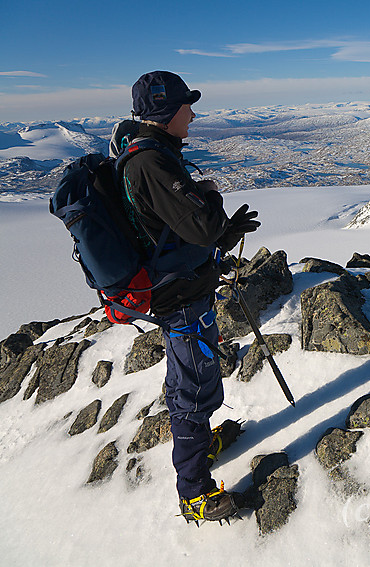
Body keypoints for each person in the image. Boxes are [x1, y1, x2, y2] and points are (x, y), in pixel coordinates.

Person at [125, 70, 260, 524]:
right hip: (179, 297)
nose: (193, 113)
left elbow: (175, 232)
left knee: (194, 380)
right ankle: (195, 493)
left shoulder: (158, 154)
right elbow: (198, 225)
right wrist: (214, 200)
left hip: (184, 285)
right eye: (187, 105)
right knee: (193, 389)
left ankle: (201, 446)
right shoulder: (153, 163)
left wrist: (224, 234)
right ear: (167, 112)